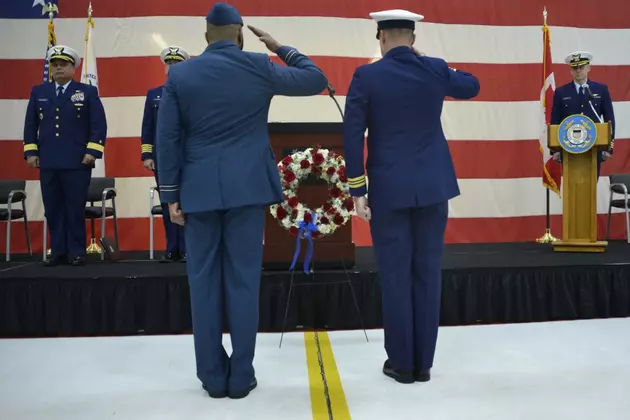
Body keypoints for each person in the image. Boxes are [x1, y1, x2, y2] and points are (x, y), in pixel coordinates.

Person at [155, 2, 328, 399]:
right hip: (247, 189)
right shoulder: (256, 65)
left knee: (202, 283)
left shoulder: (180, 74)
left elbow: (167, 139)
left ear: (204, 37)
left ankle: (213, 378)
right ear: (238, 34)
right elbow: (315, 79)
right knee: (243, 281)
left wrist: (170, 197)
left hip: (197, 190)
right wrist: (280, 46)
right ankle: (241, 376)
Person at [343, 9, 480, 384]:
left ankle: (401, 364)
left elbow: (353, 135)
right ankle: (424, 364)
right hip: (433, 188)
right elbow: (472, 85)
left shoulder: (367, 76)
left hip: (389, 191)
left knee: (395, 276)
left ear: (381, 38)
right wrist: (432, 65)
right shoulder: (434, 69)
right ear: (413, 39)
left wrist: (357, 189)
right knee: (427, 274)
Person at [23, 45, 107, 267]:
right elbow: (31, 125)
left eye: (63, 65)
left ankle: (77, 252)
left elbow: (98, 125)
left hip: (77, 161)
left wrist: (92, 151)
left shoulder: (86, 92)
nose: (58, 68)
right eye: (55, 64)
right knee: (52, 208)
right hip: (48, 160)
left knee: (74, 207)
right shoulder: (39, 92)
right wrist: (31, 152)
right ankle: (58, 251)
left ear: (73, 67)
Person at [141, 46, 190, 263]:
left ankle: (188, 248)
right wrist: (147, 155)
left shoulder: (193, 93)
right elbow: (147, 127)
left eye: (177, 63)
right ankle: (172, 248)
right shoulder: (154, 95)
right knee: (166, 203)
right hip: (163, 159)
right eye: (169, 63)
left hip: (189, 158)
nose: (172, 67)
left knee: (188, 203)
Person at [550, 51, 616, 178]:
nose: (578, 71)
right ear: (570, 70)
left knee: (591, 184)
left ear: (588, 68)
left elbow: (610, 119)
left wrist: (608, 147)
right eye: (574, 67)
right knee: (571, 186)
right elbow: (555, 121)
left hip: (594, 146)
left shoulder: (601, 89)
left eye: (581, 67)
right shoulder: (561, 92)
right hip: (568, 148)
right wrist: (555, 150)